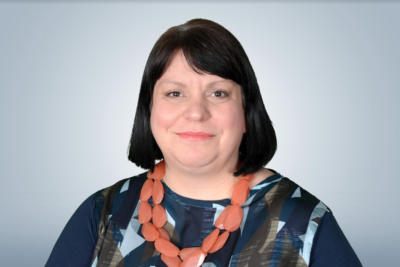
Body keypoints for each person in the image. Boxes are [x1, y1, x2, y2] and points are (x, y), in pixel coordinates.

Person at [45, 18, 363, 267]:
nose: (196, 112)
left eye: (218, 93)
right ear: (149, 111)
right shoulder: (102, 213)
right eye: (175, 93)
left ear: (246, 113)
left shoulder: (306, 222)